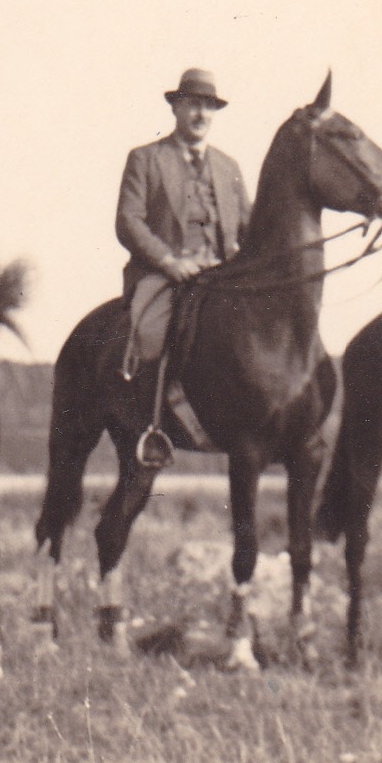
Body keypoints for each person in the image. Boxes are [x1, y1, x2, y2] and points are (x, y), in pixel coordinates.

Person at [115, 68, 252, 468]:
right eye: (193, 104)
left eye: (209, 106)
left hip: (221, 275)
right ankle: (152, 425)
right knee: (151, 332)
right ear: (176, 107)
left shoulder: (229, 167)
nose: (201, 114)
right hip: (166, 274)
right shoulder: (146, 159)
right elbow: (129, 222)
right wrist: (168, 262)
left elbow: (249, 225)